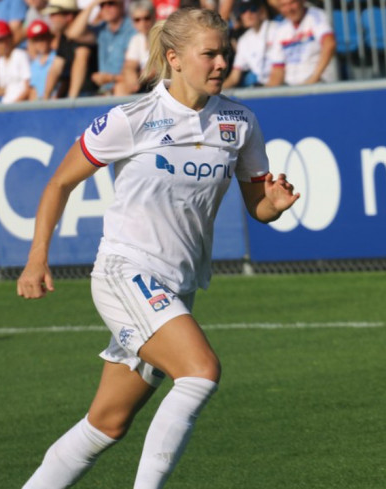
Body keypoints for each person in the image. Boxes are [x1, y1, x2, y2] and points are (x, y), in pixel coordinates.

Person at [17, 7, 299, 489]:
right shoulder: (131, 119)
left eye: (225, 53)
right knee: (200, 372)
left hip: (177, 286)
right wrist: (36, 257)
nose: (221, 63)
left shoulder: (239, 121)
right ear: (174, 58)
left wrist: (273, 204)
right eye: (209, 53)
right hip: (125, 272)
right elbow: (59, 183)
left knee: (107, 424)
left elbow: (258, 205)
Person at [66, 0, 136, 95]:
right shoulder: (102, 30)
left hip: (128, 91)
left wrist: (110, 78)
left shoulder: (134, 27)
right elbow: (73, 34)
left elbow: (137, 74)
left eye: (111, 3)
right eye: (102, 5)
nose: (106, 8)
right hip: (106, 93)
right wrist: (93, 4)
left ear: (121, 5)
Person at [266, 0, 337, 85]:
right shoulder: (281, 29)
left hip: (320, 84)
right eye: (284, 5)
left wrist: (313, 79)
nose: (289, 9)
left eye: (292, 3)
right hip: (293, 88)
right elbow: (278, 69)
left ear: (302, 2)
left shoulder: (316, 16)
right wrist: (267, 91)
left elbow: (329, 44)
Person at [42, 0, 100, 98]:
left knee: (82, 51)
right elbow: (56, 68)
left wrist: (71, 101)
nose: (50, 18)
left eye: (54, 14)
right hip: (74, 96)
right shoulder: (64, 37)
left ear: (68, 16)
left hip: (90, 95)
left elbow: (74, 35)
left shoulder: (86, 33)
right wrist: (45, 98)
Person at [223, 0, 278, 88]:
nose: (248, 14)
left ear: (262, 11)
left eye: (253, 8)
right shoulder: (243, 40)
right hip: (264, 88)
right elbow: (234, 78)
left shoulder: (277, 29)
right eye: (243, 9)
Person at [116, 0, 157, 95]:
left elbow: (157, 69)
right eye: (137, 20)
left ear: (154, 16)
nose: (142, 23)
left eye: (146, 18)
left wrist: (138, 78)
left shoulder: (162, 35)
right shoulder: (137, 39)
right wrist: (131, 76)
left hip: (163, 83)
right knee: (120, 87)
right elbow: (130, 65)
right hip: (146, 83)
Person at [27, 19, 56, 98]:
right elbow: (34, 90)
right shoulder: (34, 64)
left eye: (43, 38)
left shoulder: (57, 58)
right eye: (36, 40)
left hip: (57, 102)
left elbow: (64, 82)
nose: (40, 43)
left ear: (49, 38)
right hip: (40, 103)